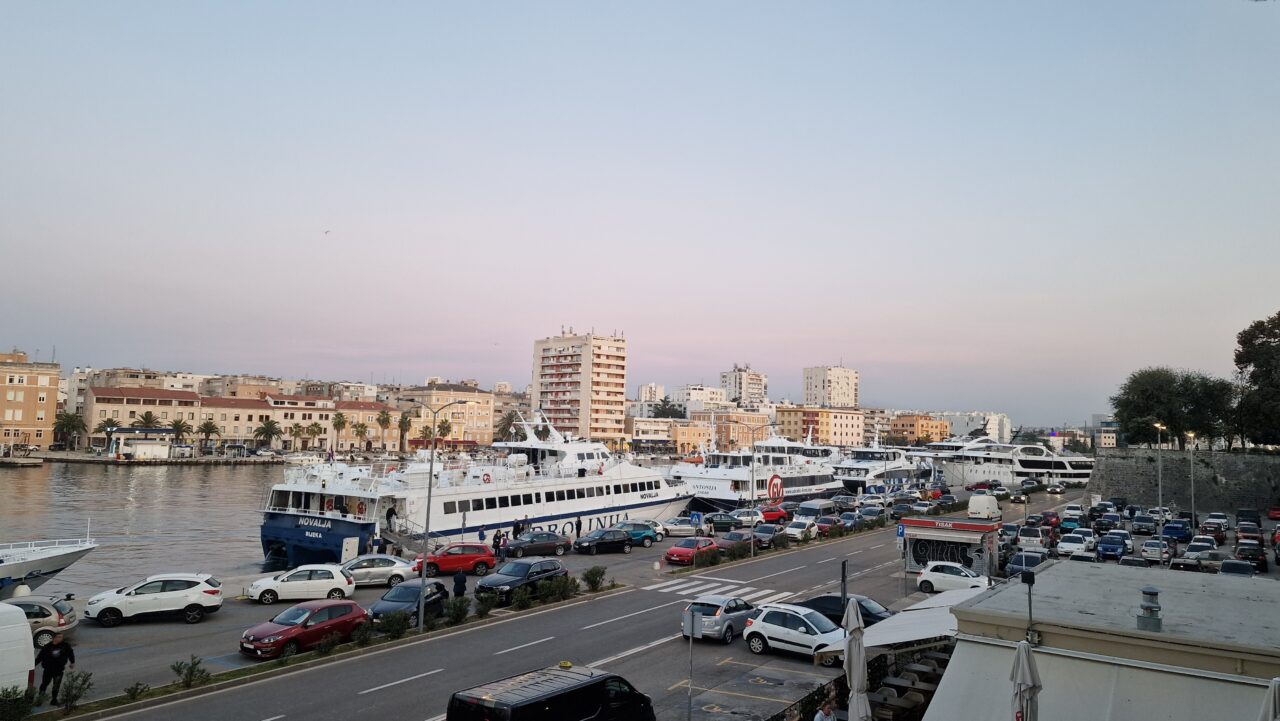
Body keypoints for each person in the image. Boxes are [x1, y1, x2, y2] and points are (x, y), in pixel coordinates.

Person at [36, 632, 75, 705]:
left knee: (56, 685)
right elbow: (40, 657)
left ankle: (54, 700)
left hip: (59, 670)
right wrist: (33, 665)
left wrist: (72, 662)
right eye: (59, 637)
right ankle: (40, 699)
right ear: (54, 638)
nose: (61, 638)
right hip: (48, 670)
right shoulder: (47, 647)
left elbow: (70, 653)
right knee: (44, 684)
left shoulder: (65, 646)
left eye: (61, 637)